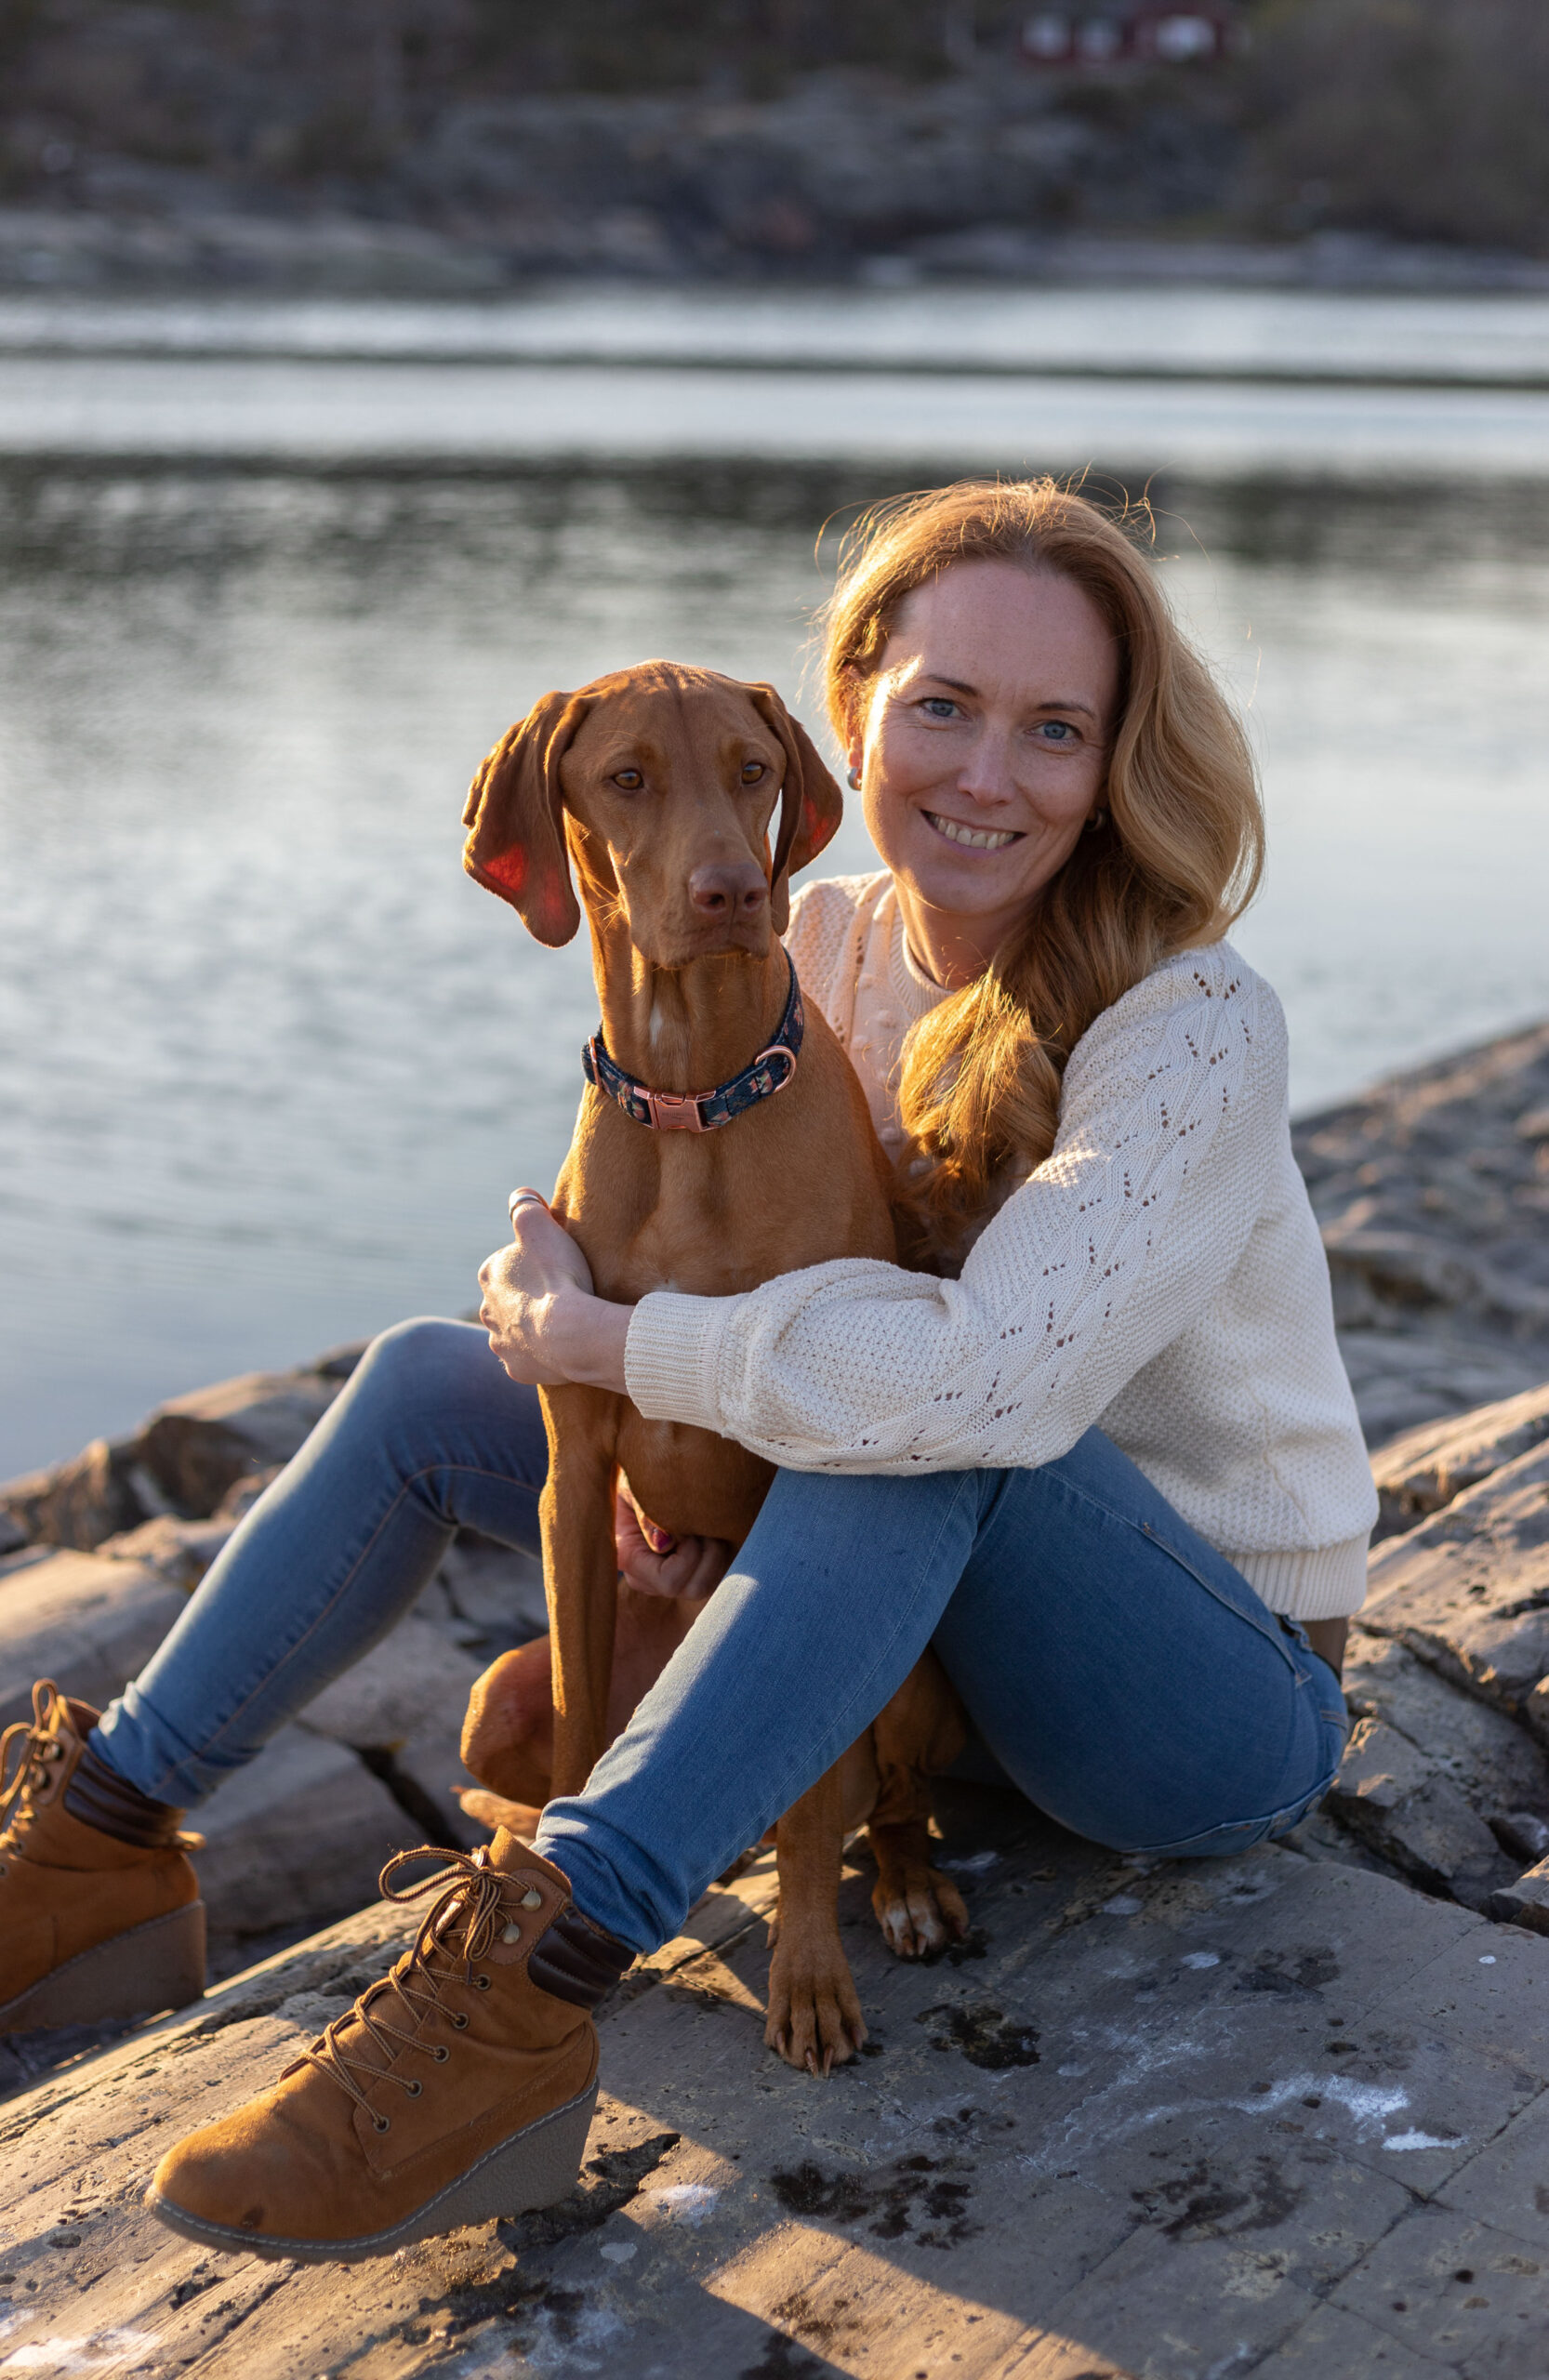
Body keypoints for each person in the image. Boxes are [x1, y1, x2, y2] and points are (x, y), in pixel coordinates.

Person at [0, 478, 1372, 2262]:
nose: (983, 772)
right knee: (431, 1375)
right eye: (942, 707)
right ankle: (97, 1842)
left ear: (1115, 760)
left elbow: (988, 1393)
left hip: (1193, 1693)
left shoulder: (1189, 1023)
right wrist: (560, 1310)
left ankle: (541, 1971)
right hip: (915, 1642)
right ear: (855, 708)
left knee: (925, 1433)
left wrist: (627, 1347)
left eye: (1053, 731)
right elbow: (653, 1260)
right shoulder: (817, 946)